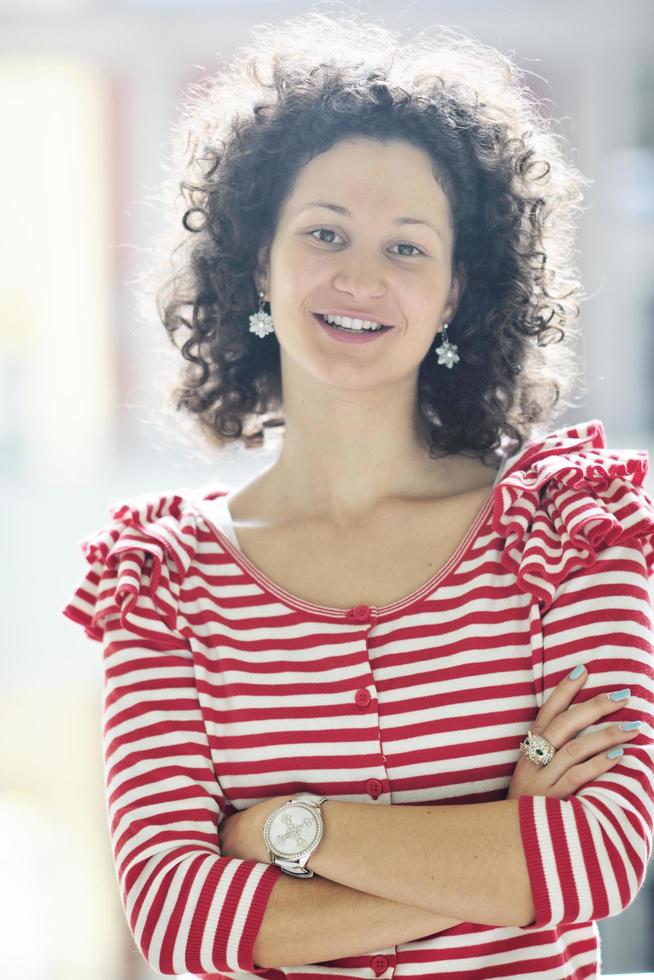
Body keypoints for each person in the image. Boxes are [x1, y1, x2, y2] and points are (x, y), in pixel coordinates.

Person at [61, 10, 654, 978]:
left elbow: (599, 854)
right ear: (262, 260)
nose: (362, 276)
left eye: (408, 247)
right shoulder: (162, 581)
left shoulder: (571, 528)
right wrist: (501, 848)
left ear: (458, 289)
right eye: (326, 232)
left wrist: (285, 831)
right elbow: (176, 917)